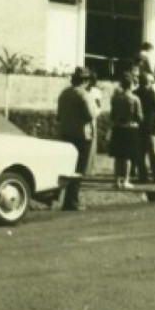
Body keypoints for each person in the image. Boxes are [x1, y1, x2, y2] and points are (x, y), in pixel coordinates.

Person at [56, 67, 97, 210]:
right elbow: (90, 115)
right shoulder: (84, 95)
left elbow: (59, 116)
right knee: (79, 168)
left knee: (67, 167)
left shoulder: (64, 94)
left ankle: (62, 198)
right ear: (85, 81)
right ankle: (72, 200)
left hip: (66, 133)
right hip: (82, 135)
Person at [109, 74, 142, 190]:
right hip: (130, 127)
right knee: (128, 156)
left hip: (118, 127)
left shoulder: (115, 98)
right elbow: (139, 116)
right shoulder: (135, 99)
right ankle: (126, 179)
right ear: (131, 85)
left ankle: (116, 180)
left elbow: (112, 114)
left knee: (118, 156)